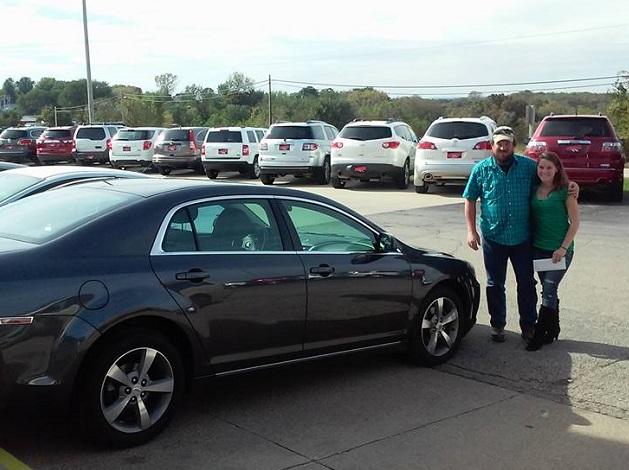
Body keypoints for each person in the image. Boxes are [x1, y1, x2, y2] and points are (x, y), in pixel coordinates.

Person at [463, 126, 538, 343]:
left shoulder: (528, 167)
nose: (503, 147)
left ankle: (529, 326)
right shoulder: (481, 170)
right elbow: (469, 199)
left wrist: (570, 187)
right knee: (495, 283)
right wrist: (471, 231)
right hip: (493, 237)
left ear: (514, 145)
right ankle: (497, 325)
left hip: (522, 236)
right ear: (492, 146)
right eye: (499, 143)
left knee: (526, 283)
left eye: (507, 143)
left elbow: (551, 177)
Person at [526, 151, 580, 351]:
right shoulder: (533, 189)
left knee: (548, 290)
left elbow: (575, 223)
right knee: (549, 290)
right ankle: (554, 328)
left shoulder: (566, 191)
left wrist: (563, 248)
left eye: (549, 167)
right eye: (541, 167)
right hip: (539, 248)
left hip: (560, 250)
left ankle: (539, 336)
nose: (545, 171)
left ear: (557, 169)